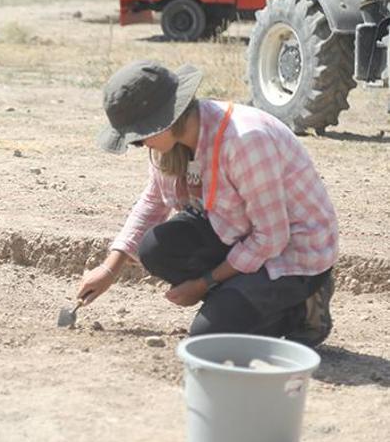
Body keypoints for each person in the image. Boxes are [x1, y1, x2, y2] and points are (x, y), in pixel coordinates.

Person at [77, 60, 338, 347]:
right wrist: (109, 269)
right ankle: (234, 297)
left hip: (293, 254)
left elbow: (272, 238)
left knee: (207, 340)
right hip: (237, 231)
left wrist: (203, 284)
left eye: (138, 139)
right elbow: (153, 201)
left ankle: (302, 309)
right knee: (155, 248)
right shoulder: (172, 145)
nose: (139, 146)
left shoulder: (245, 141)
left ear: (165, 120)